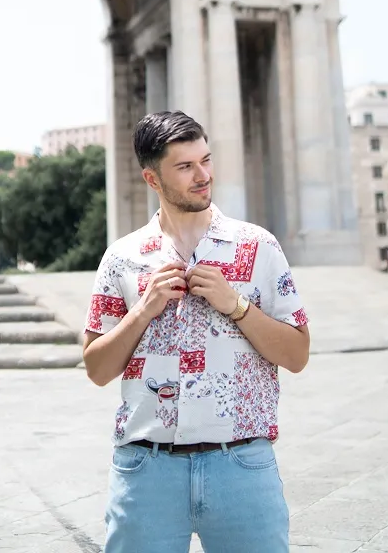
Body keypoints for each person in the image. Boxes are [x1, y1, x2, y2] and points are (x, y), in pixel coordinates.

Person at [83, 111, 310, 553]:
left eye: (206, 160)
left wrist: (236, 305)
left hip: (241, 466)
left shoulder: (259, 246)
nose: (203, 175)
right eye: (186, 167)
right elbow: (96, 368)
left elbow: (297, 354)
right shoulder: (122, 257)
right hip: (147, 471)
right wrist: (143, 310)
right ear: (152, 179)